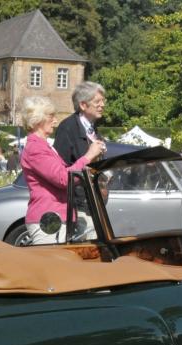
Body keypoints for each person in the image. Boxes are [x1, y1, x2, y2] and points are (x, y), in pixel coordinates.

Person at [20, 96, 106, 244]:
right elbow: (63, 179)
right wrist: (88, 156)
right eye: (51, 116)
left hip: (58, 217)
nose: (55, 121)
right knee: (53, 266)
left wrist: (90, 166)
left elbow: (67, 174)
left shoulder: (44, 146)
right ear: (38, 119)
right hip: (49, 219)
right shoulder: (36, 148)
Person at [54, 81, 106, 238]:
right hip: (78, 206)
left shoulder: (92, 128)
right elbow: (61, 169)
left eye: (103, 101)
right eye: (97, 101)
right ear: (83, 105)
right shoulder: (67, 128)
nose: (102, 105)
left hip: (94, 203)